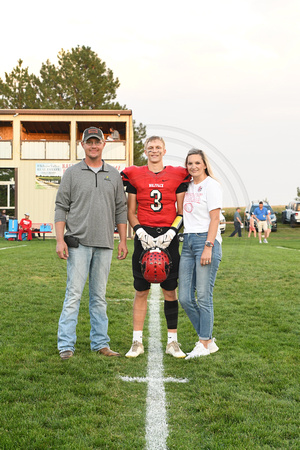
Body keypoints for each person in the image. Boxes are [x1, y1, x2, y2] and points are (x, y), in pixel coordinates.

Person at [55, 126, 128, 360]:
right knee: (73, 295)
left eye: (97, 142)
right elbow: (61, 207)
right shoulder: (72, 173)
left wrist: (123, 240)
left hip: (105, 243)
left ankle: (100, 343)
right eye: (89, 142)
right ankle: (66, 345)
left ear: (103, 145)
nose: (93, 146)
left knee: (99, 297)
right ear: (83, 145)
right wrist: (59, 240)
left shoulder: (114, 174)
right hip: (78, 244)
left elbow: (121, 209)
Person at [121, 136, 191, 358]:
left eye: (158, 147)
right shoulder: (134, 173)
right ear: (145, 150)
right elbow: (130, 210)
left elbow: (181, 210)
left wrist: (172, 231)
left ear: (164, 150)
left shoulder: (177, 174)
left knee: (170, 290)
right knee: (141, 290)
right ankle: (137, 341)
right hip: (144, 234)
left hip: (168, 236)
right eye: (150, 148)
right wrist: (139, 231)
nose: (154, 151)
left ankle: (172, 341)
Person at [178, 149, 222, 359]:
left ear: (204, 164)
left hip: (206, 240)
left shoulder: (212, 186)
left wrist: (208, 246)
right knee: (185, 297)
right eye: (190, 163)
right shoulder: (186, 187)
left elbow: (214, 219)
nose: (193, 166)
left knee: (204, 296)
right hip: (187, 242)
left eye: (197, 163)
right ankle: (208, 339)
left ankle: (204, 342)